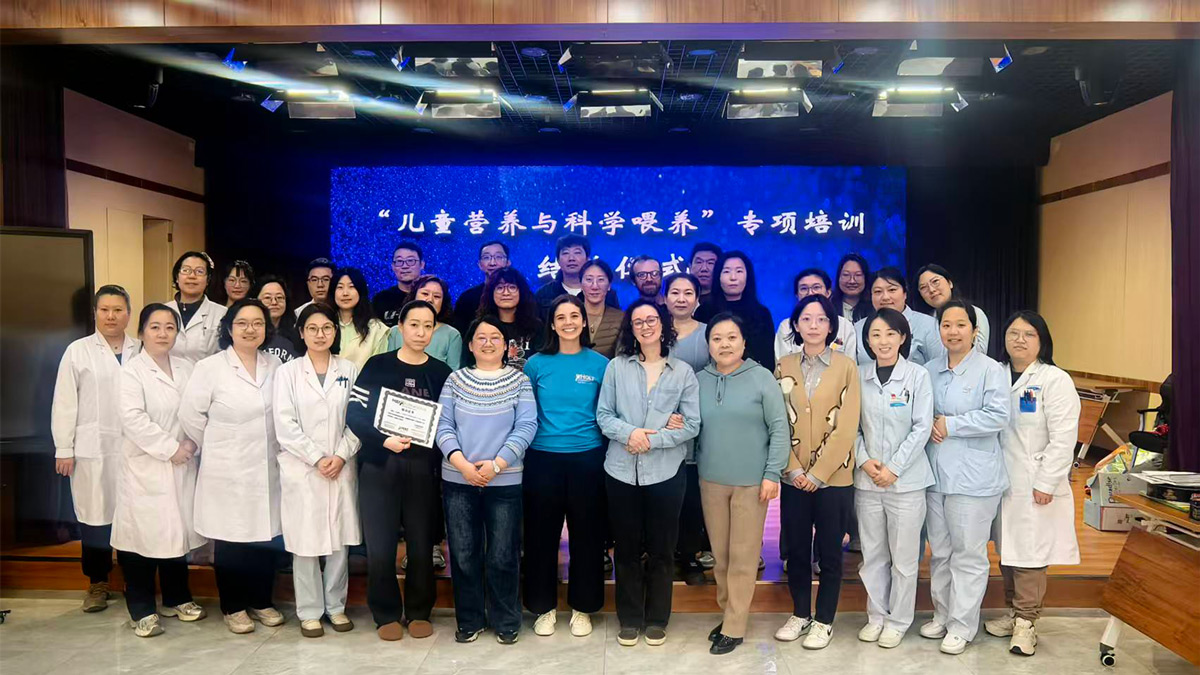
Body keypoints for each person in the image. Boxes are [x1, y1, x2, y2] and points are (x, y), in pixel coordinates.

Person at [347, 300, 453, 642]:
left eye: (427, 326)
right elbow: (354, 413)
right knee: (380, 545)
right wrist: (383, 440)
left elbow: (449, 423)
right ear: (401, 328)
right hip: (380, 466)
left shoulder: (440, 373)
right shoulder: (377, 366)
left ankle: (420, 611)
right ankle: (386, 613)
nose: (421, 332)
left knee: (422, 545)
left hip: (423, 470)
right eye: (414, 325)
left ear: (434, 330)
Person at [597, 299, 701, 647]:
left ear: (663, 324)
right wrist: (632, 434)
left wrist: (651, 441)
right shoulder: (616, 367)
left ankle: (657, 618)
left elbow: (691, 424)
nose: (645, 326)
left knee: (661, 548)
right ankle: (629, 618)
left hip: (666, 471)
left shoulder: (683, 371)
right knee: (625, 548)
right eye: (638, 321)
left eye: (651, 319)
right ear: (631, 328)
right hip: (621, 470)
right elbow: (604, 415)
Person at [179, 298, 286, 635]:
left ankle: (261, 600)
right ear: (229, 328)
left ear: (267, 329)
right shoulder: (210, 368)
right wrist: (217, 446)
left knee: (266, 536)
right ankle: (233, 606)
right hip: (227, 466)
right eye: (242, 323)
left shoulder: (276, 367)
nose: (250, 329)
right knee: (231, 538)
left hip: (267, 466)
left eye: (258, 323)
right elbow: (190, 415)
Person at [436, 315, 538, 646]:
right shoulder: (455, 380)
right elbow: (442, 426)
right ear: (470, 345)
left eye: (495, 337)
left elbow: (526, 426)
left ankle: (506, 620)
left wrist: (496, 465)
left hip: (505, 480)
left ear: (507, 346)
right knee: (464, 554)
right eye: (481, 337)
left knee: (503, 554)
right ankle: (469, 620)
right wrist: (463, 465)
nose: (488, 343)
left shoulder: (519, 382)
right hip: (458, 479)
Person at [985, 311, 1081, 656]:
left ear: (1042, 341)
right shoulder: (995, 373)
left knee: (1030, 553)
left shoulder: (1055, 380)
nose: (1019, 339)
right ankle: (1014, 613)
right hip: (999, 481)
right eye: (1013, 332)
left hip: (1034, 481)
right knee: (1007, 550)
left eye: (1028, 334)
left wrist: (1046, 481)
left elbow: (1064, 437)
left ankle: (1027, 623)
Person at [920, 299, 1010, 655]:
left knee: (968, 554)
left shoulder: (990, 370)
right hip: (935, 474)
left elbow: (998, 417)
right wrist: (928, 423)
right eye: (946, 325)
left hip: (974, 478)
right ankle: (942, 614)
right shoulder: (928, 369)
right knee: (940, 551)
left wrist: (951, 424)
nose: (952, 331)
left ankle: (962, 624)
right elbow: (920, 412)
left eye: (960, 325)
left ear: (975, 331)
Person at [771, 294, 861, 649]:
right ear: (795, 325)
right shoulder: (783, 365)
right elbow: (777, 422)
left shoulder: (846, 367)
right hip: (793, 479)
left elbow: (848, 425)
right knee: (796, 549)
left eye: (821, 319)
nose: (813, 325)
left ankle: (824, 620)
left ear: (831, 326)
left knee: (829, 552)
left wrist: (819, 473)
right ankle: (800, 613)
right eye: (806, 319)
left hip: (834, 479)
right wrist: (794, 470)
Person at [112, 304, 206, 637]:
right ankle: (142, 609)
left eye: (169, 327)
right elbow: (133, 419)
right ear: (141, 333)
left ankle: (176, 598)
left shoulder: (188, 367)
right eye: (155, 327)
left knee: (175, 534)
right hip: (147, 464)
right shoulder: (131, 371)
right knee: (141, 539)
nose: (163, 333)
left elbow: (199, 409)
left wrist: (192, 444)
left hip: (184, 460)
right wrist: (171, 449)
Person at [698, 313, 789, 655]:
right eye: (717, 338)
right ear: (709, 345)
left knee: (743, 557)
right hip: (710, 480)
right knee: (720, 557)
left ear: (744, 342)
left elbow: (780, 428)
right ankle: (729, 613)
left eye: (731, 337)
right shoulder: (699, 379)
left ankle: (736, 627)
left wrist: (771, 474)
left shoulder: (761, 377)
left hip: (752, 483)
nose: (724, 344)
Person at [522, 295, 610, 639]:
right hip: (542, 459)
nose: (569, 322)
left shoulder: (601, 364)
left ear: (584, 322)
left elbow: (608, 413)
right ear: (553, 324)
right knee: (541, 537)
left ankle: (583, 607)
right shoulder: (536, 364)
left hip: (588, 459)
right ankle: (543, 607)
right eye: (562, 317)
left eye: (575, 315)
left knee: (587, 537)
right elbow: (526, 414)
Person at [273, 304, 362, 639]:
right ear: (301, 333)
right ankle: (309, 612)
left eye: (327, 328)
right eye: (312, 328)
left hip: (340, 467)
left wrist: (339, 456)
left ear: (335, 332)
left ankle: (336, 608)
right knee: (305, 543)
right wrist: (316, 457)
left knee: (339, 542)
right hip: (303, 469)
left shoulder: (349, 369)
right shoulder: (288, 372)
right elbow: (284, 423)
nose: (320, 334)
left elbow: (358, 420)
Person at [51, 285, 139, 613]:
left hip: (133, 448)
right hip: (92, 448)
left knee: (131, 515)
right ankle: (98, 582)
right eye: (105, 310)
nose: (111, 316)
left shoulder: (142, 350)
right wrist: (64, 447)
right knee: (95, 517)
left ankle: (135, 580)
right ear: (95, 313)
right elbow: (64, 402)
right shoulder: (78, 351)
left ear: (128, 313)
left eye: (118, 309)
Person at [853, 308, 934, 649]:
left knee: (903, 558)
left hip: (907, 482)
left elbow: (922, 427)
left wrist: (895, 468)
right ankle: (876, 616)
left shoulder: (918, 376)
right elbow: (851, 427)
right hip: (867, 481)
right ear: (867, 341)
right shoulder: (858, 375)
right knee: (872, 555)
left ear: (902, 337)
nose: (883, 341)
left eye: (890, 333)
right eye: (875, 334)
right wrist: (865, 460)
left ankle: (898, 620)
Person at [662, 273, 710, 584]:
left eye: (688, 292)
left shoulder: (710, 333)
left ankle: (690, 554)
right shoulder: (654, 331)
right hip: (661, 424)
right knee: (665, 492)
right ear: (664, 298)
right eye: (675, 292)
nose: (681, 298)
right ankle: (663, 553)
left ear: (698, 299)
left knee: (693, 493)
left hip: (700, 422)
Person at [695, 251, 775, 372]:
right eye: (726, 271)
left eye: (739, 271)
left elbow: (767, 358)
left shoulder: (761, 314)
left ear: (748, 276)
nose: (733, 277)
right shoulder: (704, 311)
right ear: (718, 276)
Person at [854, 267, 943, 367]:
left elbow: (939, 365)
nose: (885, 297)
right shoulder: (858, 328)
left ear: (905, 293)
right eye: (878, 292)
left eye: (892, 290)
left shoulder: (928, 325)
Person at [774, 268, 857, 363]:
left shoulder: (845, 326)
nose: (810, 293)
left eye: (816, 287)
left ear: (828, 293)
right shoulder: (786, 326)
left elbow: (850, 366)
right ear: (797, 295)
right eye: (804, 288)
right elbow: (783, 367)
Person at [473, 267, 544, 370]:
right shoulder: (480, 327)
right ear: (491, 293)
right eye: (500, 288)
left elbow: (542, 366)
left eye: (512, 287)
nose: (506, 293)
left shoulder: (536, 327)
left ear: (521, 292)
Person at [387, 275, 463, 370]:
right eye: (425, 294)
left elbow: (452, 375)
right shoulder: (395, 331)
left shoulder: (452, 335)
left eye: (436, 296)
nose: (430, 300)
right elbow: (387, 367)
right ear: (414, 296)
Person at [533, 234, 618, 316]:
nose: (571, 258)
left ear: (587, 259)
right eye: (565, 253)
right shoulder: (544, 294)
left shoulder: (605, 293)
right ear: (558, 260)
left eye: (577, 252)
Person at [166, 251, 226, 363]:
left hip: (207, 378)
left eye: (199, 271)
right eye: (186, 270)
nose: (192, 276)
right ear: (177, 277)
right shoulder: (162, 311)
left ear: (208, 280)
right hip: (168, 378)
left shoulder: (222, 313)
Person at [916, 264, 991, 355]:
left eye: (935, 281)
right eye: (923, 287)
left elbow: (980, 353)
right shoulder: (924, 321)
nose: (931, 290)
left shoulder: (975, 313)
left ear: (950, 283)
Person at [333, 268, 390, 370]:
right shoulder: (324, 325)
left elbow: (379, 369)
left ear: (360, 290)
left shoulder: (376, 329)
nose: (345, 293)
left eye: (351, 287)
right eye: (340, 287)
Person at [451, 240, 511, 334]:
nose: (492, 263)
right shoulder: (467, 298)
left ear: (508, 263)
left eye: (498, 257)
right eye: (486, 257)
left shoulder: (519, 295)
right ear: (480, 265)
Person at [373, 242, 426, 327]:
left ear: (422, 264)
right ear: (393, 266)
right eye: (399, 261)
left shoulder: (429, 297)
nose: (404, 266)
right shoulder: (381, 299)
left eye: (410, 261)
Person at [580, 259, 623, 358]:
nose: (595, 286)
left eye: (601, 280)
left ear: (609, 286)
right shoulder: (570, 315)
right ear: (581, 285)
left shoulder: (621, 319)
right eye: (589, 280)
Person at [256, 274, 300, 363]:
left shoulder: (297, 337)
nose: (274, 302)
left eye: (279, 297)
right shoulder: (251, 335)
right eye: (267, 298)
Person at [830, 253, 873, 324]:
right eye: (846, 275)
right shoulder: (828, 307)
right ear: (838, 277)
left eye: (858, 275)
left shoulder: (875, 307)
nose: (852, 281)